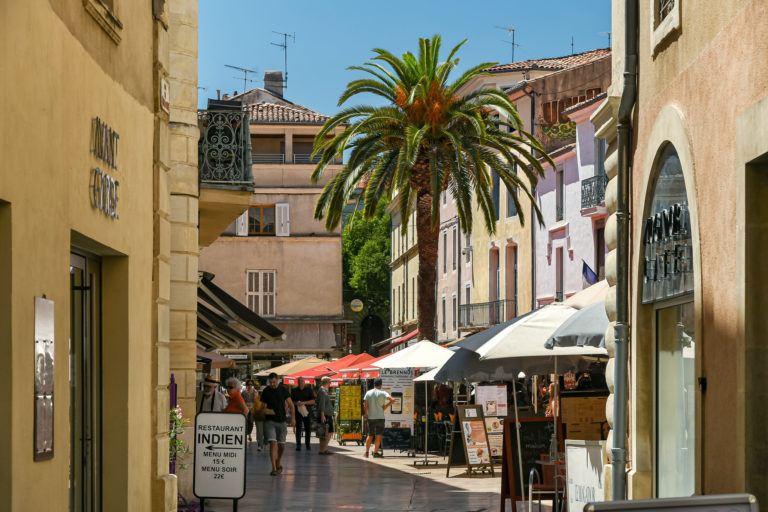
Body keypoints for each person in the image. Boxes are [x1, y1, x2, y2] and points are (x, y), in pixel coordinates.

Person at [260, 372, 295, 476]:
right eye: (270, 382)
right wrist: (266, 411)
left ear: (278, 380)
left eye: (274, 382)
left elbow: (291, 405)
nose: (272, 384)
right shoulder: (266, 391)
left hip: (281, 420)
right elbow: (263, 407)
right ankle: (274, 468)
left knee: (282, 445)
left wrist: (293, 419)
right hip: (269, 421)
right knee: (273, 443)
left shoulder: (283, 389)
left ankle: (278, 460)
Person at [363, 378, 395, 458]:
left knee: (370, 435)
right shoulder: (383, 392)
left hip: (371, 417)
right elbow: (393, 400)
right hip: (380, 417)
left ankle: (366, 453)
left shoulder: (368, 393)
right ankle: (375, 453)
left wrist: (367, 415)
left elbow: (365, 406)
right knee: (378, 435)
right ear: (381, 384)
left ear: (374, 384)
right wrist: (386, 406)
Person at [290, 377, 316, 451]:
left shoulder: (309, 390)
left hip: (307, 412)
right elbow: (291, 402)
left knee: (308, 429)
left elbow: (313, 401)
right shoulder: (294, 390)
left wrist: (304, 403)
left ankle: (307, 444)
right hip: (298, 412)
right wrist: (297, 403)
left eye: (302, 381)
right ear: (297, 383)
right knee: (298, 429)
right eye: (299, 381)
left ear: (304, 382)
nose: (301, 382)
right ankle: (298, 445)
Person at [316, 377, 335, 455]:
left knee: (323, 433)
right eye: (330, 382)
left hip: (326, 414)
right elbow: (322, 404)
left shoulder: (323, 391)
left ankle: (323, 449)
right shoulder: (323, 391)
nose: (330, 384)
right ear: (327, 382)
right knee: (329, 432)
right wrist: (322, 415)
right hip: (326, 415)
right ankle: (324, 449)